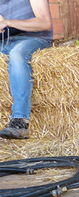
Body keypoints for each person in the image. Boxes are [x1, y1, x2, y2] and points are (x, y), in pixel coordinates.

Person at [0, 0, 52, 140]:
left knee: (17, 54)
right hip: (4, 41)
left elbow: (44, 23)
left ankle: (20, 121)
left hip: (33, 39)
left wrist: (9, 22)